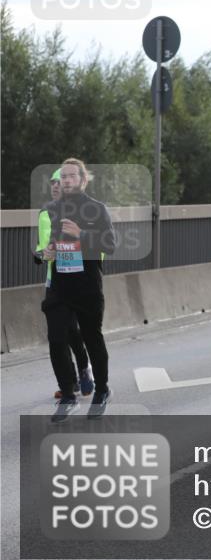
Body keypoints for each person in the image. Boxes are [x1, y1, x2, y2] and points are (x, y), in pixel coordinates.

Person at [44, 158, 117, 422]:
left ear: (83, 180)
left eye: (71, 176)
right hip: (60, 286)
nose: (66, 180)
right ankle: (68, 394)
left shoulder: (97, 209)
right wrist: (47, 252)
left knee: (91, 338)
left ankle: (102, 389)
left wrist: (82, 234)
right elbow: (50, 243)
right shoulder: (53, 209)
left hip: (87, 286)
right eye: (62, 177)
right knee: (56, 339)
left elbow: (110, 244)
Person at [35, 168, 93, 400]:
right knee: (61, 334)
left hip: (82, 282)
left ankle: (83, 369)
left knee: (73, 332)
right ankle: (69, 383)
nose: (56, 186)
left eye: (61, 181)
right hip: (56, 283)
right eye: (53, 182)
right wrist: (44, 253)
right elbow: (43, 247)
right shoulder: (45, 213)